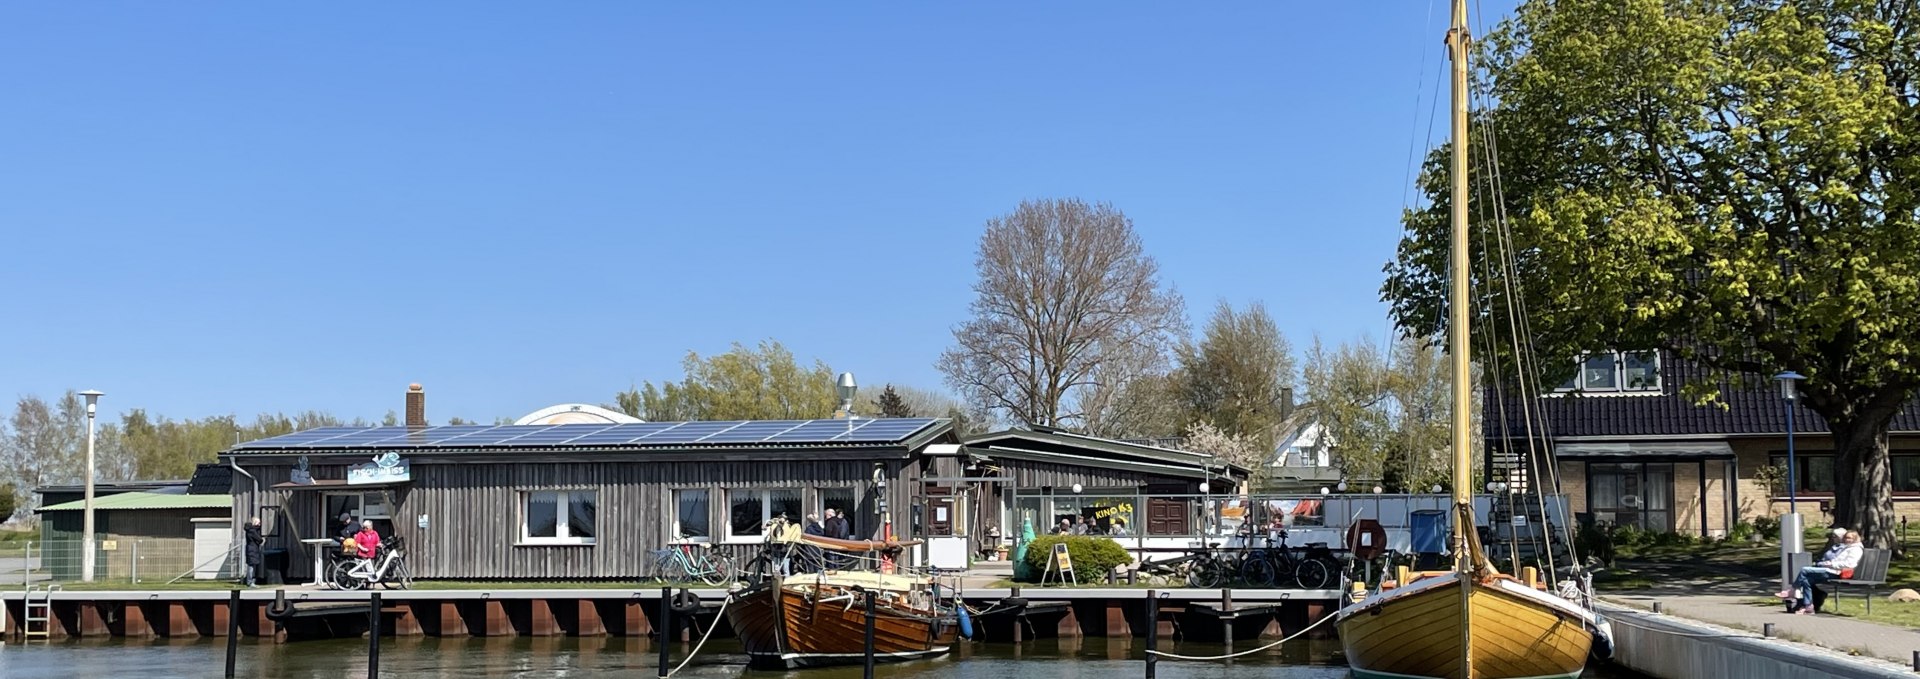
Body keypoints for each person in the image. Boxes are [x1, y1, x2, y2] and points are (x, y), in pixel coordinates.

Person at [1778, 529, 1863, 614]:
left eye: (1849, 538)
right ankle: (1808, 606)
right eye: (1845, 537)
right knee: (1806, 580)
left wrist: (1830, 564)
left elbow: (1850, 564)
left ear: (1855, 539)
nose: (1846, 540)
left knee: (1804, 570)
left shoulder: (1855, 549)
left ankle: (1792, 591)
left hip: (1837, 572)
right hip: (1831, 570)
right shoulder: (1847, 547)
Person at [242, 517, 265, 587]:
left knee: (252, 566)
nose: (259, 524)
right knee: (251, 566)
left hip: (251, 549)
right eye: (258, 522)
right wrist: (261, 541)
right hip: (252, 550)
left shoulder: (250, 530)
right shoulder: (252, 531)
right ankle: (250, 582)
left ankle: (251, 581)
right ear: (255, 523)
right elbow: (259, 539)